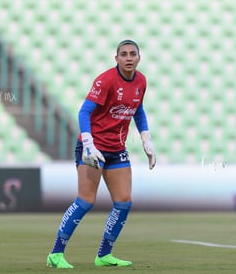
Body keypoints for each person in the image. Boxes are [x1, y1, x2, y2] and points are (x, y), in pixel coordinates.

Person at [46, 39, 156, 268]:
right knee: (86, 201)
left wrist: (146, 139)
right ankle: (56, 254)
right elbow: (84, 111)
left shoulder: (141, 81)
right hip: (93, 148)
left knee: (124, 202)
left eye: (132, 54)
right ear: (116, 58)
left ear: (138, 57)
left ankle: (104, 255)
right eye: (123, 54)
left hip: (117, 149)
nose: (128, 58)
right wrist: (88, 143)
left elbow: (138, 110)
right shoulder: (106, 80)